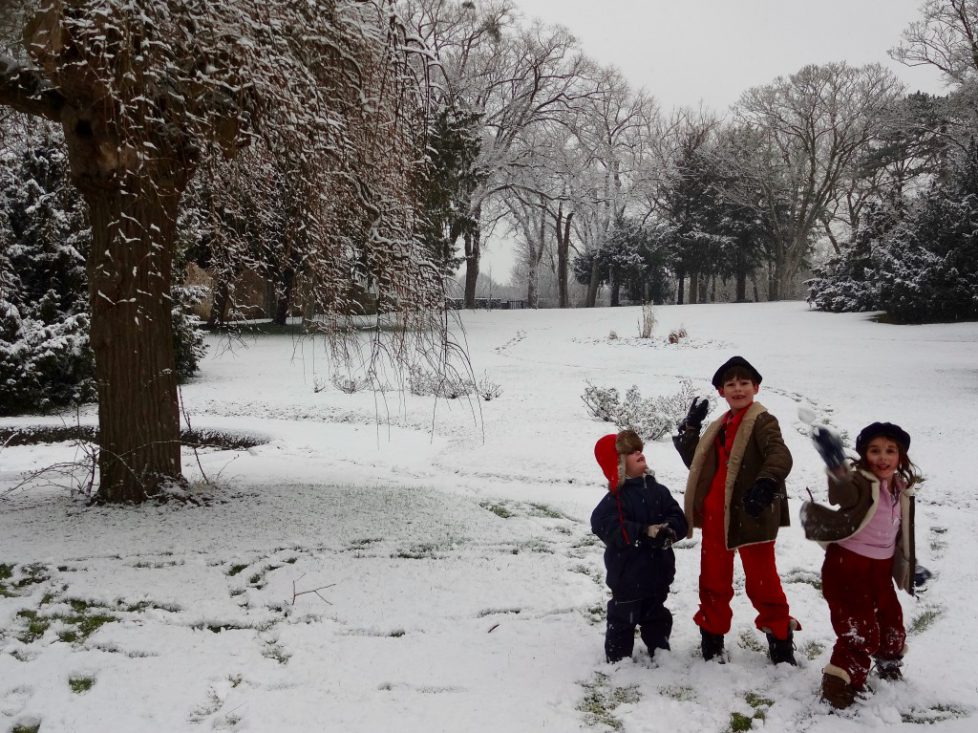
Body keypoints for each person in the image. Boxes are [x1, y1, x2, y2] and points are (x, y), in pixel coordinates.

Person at [673, 355, 799, 664]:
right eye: (731, 384)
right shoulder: (721, 424)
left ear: (756, 387)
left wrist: (766, 484)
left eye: (744, 383)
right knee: (713, 580)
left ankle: (781, 641)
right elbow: (697, 464)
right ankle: (712, 640)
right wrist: (691, 426)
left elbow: (779, 454)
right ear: (720, 391)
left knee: (762, 581)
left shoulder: (762, 421)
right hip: (716, 516)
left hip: (751, 513)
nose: (738, 389)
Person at [802, 422, 921, 709]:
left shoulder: (900, 489)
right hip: (848, 566)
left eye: (890, 451)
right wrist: (835, 464)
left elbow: (901, 531)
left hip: (879, 569)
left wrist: (912, 565)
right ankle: (839, 681)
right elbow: (843, 493)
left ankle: (888, 660)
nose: (883, 457)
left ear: (901, 457)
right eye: (875, 451)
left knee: (890, 618)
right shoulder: (860, 482)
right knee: (859, 627)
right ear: (864, 456)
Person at [591, 429, 688, 664]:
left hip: (658, 573)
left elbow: (679, 518)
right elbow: (602, 524)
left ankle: (660, 648)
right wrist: (642, 532)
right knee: (623, 617)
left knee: (657, 615)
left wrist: (669, 530)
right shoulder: (616, 499)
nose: (638, 453)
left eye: (639, 450)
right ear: (618, 465)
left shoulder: (659, 491)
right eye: (630, 453)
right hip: (627, 575)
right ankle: (618, 656)